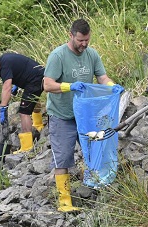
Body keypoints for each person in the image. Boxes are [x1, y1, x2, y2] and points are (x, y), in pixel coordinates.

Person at [43, 19, 123, 212]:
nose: (84, 44)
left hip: (86, 116)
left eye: (87, 40)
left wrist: (113, 87)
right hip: (62, 116)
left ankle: (100, 191)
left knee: (97, 149)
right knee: (63, 158)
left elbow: (102, 77)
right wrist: (69, 86)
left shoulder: (91, 54)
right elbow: (47, 85)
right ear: (71, 35)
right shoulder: (58, 56)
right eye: (80, 40)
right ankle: (65, 202)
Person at [0, 53, 45, 153]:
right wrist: (17, 85)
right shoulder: (6, 58)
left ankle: (27, 147)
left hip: (34, 80)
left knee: (24, 112)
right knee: (33, 100)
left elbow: (6, 87)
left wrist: (3, 107)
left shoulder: (4, 66)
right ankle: (39, 125)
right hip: (41, 75)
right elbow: (21, 68)